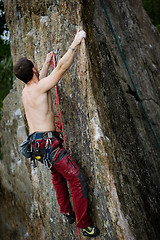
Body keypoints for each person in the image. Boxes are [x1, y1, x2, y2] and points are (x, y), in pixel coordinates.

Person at [13, 30, 100, 238]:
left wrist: (44, 62)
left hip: (38, 147)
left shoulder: (27, 91)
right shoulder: (40, 87)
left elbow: (40, 80)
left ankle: (66, 211)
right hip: (49, 145)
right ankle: (84, 225)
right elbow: (60, 68)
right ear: (33, 69)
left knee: (57, 176)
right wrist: (75, 43)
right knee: (77, 178)